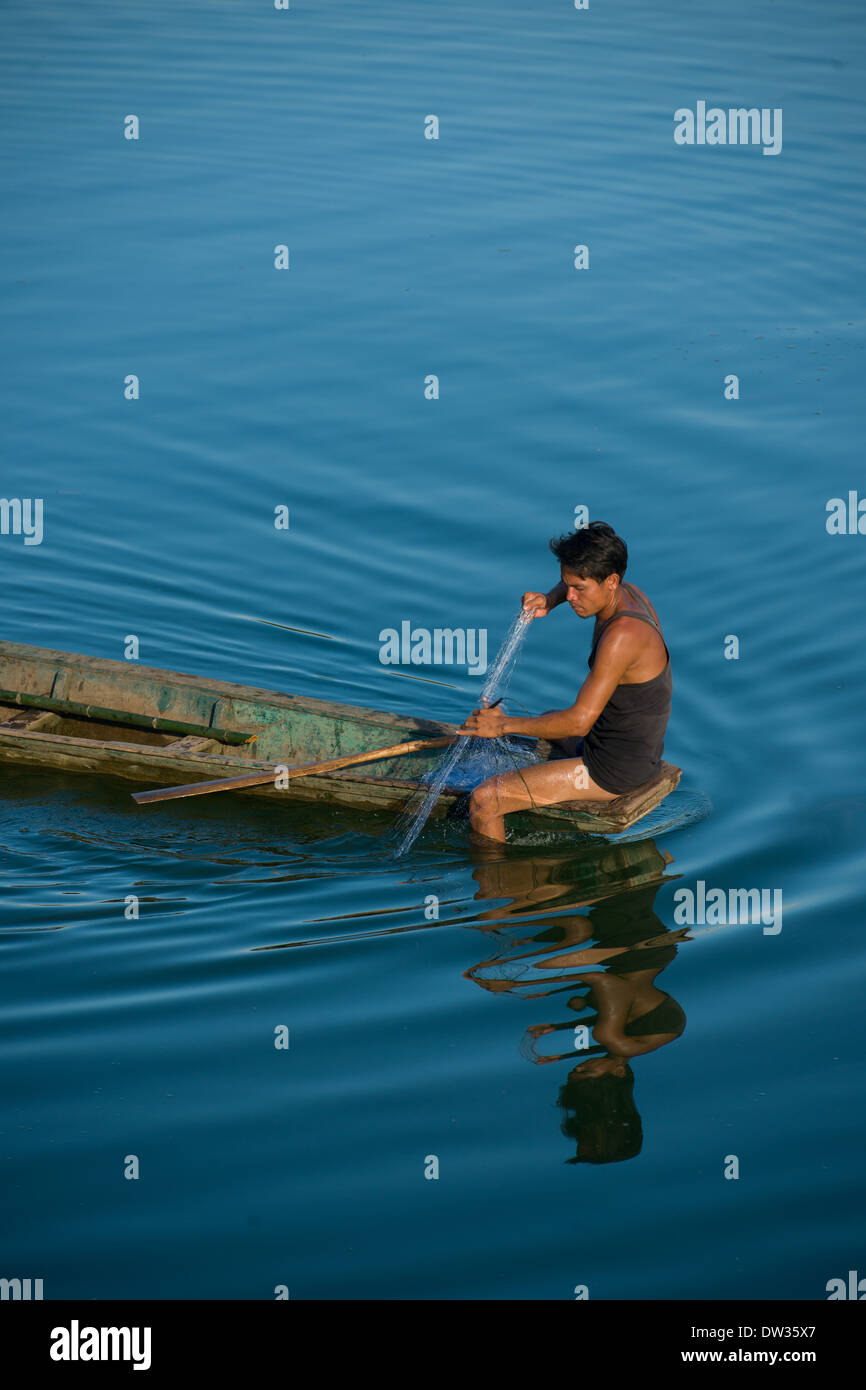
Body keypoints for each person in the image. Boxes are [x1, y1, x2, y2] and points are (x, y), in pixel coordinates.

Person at [459, 521, 672, 842]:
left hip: (615, 771)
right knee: (546, 721)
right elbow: (574, 585)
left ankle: (495, 881)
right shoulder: (629, 593)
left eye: (579, 589)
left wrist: (501, 726)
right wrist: (550, 598)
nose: (571, 596)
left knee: (486, 798)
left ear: (611, 581)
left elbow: (578, 722)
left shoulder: (623, 636)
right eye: (565, 584)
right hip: (623, 747)